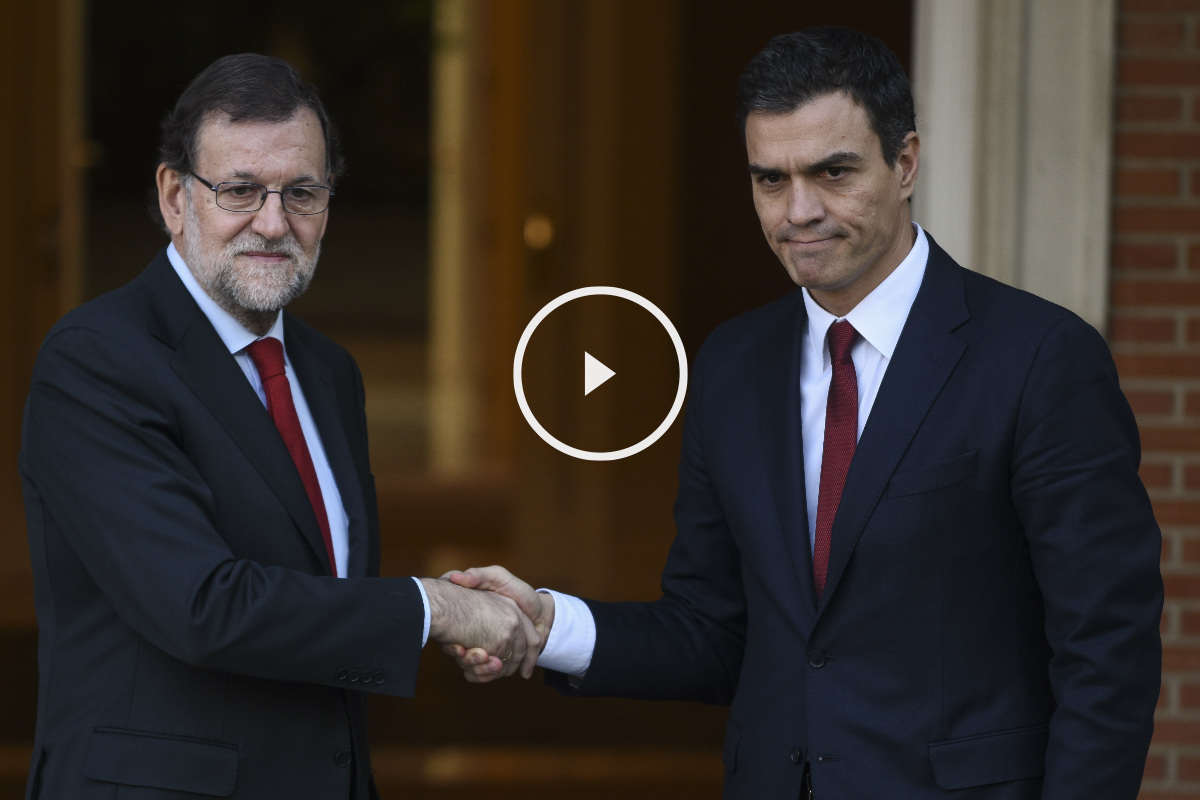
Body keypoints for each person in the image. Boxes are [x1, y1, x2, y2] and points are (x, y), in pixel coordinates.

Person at [442, 26, 1164, 799]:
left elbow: (1107, 652)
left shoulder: (1039, 357)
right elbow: (714, 632)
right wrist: (549, 627)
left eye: (833, 172)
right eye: (771, 180)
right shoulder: (731, 364)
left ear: (906, 162)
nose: (799, 212)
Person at [19, 53, 541, 800]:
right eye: (239, 190)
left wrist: (442, 622)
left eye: (301, 192)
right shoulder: (97, 360)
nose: (273, 223)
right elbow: (203, 607)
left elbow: (326, 602)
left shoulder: (329, 373)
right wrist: (435, 610)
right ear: (174, 196)